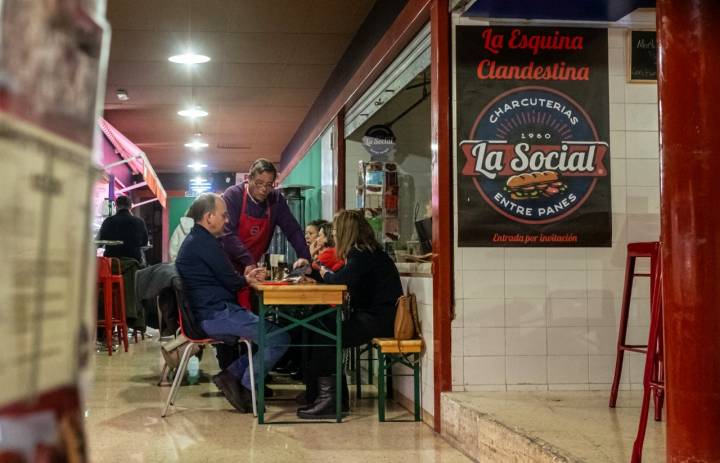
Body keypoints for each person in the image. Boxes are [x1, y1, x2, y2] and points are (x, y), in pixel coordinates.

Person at [175, 193, 290, 413]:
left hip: (213, 312)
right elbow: (232, 281)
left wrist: (244, 278)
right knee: (279, 337)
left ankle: (232, 376)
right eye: (224, 215)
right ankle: (247, 385)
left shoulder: (198, 240)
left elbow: (229, 278)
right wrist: (247, 278)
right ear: (209, 217)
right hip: (217, 315)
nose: (227, 220)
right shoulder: (204, 243)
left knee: (271, 335)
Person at [298, 210, 402, 419]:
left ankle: (329, 400)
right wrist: (312, 271)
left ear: (346, 231)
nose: (333, 234)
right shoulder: (364, 252)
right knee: (320, 327)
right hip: (373, 317)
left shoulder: (363, 254)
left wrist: (321, 272)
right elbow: (340, 279)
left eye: (336, 230)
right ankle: (327, 397)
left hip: (378, 321)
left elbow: (338, 281)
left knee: (326, 336)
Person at [218, 158, 311, 373]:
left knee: (252, 321)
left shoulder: (275, 201)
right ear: (248, 179)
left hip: (252, 269)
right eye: (259, 183)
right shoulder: (233, 196)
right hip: (227, 266)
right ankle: (230, 374)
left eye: (269, 184)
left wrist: (305, 256)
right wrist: (248, 262)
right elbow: (227, 234)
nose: (264, 189)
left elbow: (293, 230)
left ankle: (250, 375)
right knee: (231, 323)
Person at [98, 195, 148, 262]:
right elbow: (144, 243)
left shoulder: (108, 221)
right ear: (130, 207)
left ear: (116, 206)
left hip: (112, 265)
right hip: (133, 265)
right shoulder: (139, 222)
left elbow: (100, 243)